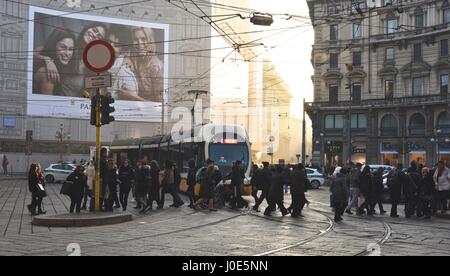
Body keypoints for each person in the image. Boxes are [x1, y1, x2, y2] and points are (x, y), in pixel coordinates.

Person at [33, 28, 82, 97]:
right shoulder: (48, 73)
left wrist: (47, 59)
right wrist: (47, 60)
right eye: (63, 47)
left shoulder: (59, 65)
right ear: (53, 46)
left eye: (71, 49)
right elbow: (48, 105)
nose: (67, 53)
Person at [105, 25, 143, 102]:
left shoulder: (126, 74)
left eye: (116, 45)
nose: (110, 46)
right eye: (109, 41)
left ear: (123, 50)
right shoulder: (101, 63)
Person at [130, 27, 164, 102]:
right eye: (135, 39)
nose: (139, 43)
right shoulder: (136, 59)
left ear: (150, 40)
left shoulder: (156, 67)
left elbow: (159, 105)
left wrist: (131, 97)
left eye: (143, 39)